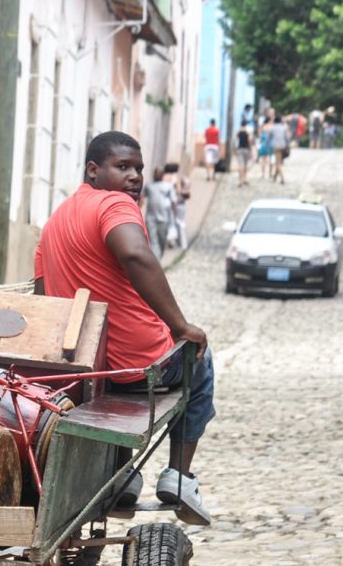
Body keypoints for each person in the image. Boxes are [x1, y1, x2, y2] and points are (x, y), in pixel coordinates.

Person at [34, 132, 214, 525]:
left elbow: (41, 295)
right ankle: (180, 477)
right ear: (93, 170)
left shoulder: (56, 220)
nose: (134, 177)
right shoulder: (114, 204)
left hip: (85, 372)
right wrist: (181, 326)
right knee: (200, 358)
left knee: (110, 395)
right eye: (123, 167)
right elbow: (135, 253)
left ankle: (124, 478)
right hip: (141, 366)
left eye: (138, 169)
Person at [141, 167, 175, 259]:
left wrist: (174, 216)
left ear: (162, 175)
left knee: (162, 240)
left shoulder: (168, 186)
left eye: (159, 173)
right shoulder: (149, 185)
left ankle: (159, 256)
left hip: (164, 218)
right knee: (153, 241)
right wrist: (138, 210)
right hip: (151, 218)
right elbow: (142, 197)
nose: (157, 175)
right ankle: (156, 261)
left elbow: (173, 201)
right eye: (156, 173)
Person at [162, 162, 190, 249]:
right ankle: (173, 239)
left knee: (164, 220)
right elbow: (178, 190)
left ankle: (164, 238)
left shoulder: (163, 177)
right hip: (173, 201)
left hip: (163, 201)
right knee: (173, 221)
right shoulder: (175, 178)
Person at [268, 109, 290, 184]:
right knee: (279, 162)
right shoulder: (284, 128)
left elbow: (268, 138)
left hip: (276, 147)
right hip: (283, 146)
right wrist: (288, 145)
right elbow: (287, 138)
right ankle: (275, 177)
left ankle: (282, 178)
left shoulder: (272, 128)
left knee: (278, 163)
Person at [234, 121, 253, 186]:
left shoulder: (238, 132)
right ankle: (244, 179)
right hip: (246, 149)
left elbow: (235, 140)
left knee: (240, 165)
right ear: (246, 125)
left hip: (240, 149)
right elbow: (249, 140)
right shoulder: (248, 132)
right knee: (245, 165)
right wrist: (250, 149)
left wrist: (235, 149)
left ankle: (240, 180)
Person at [256, 114, 274, 179]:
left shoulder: (263, 127)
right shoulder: (272, 127)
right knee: (271, 159)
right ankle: (270, 173)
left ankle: (263, 174)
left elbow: (260, 136)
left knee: (263, 160)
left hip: (263, 144)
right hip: (271, 144)